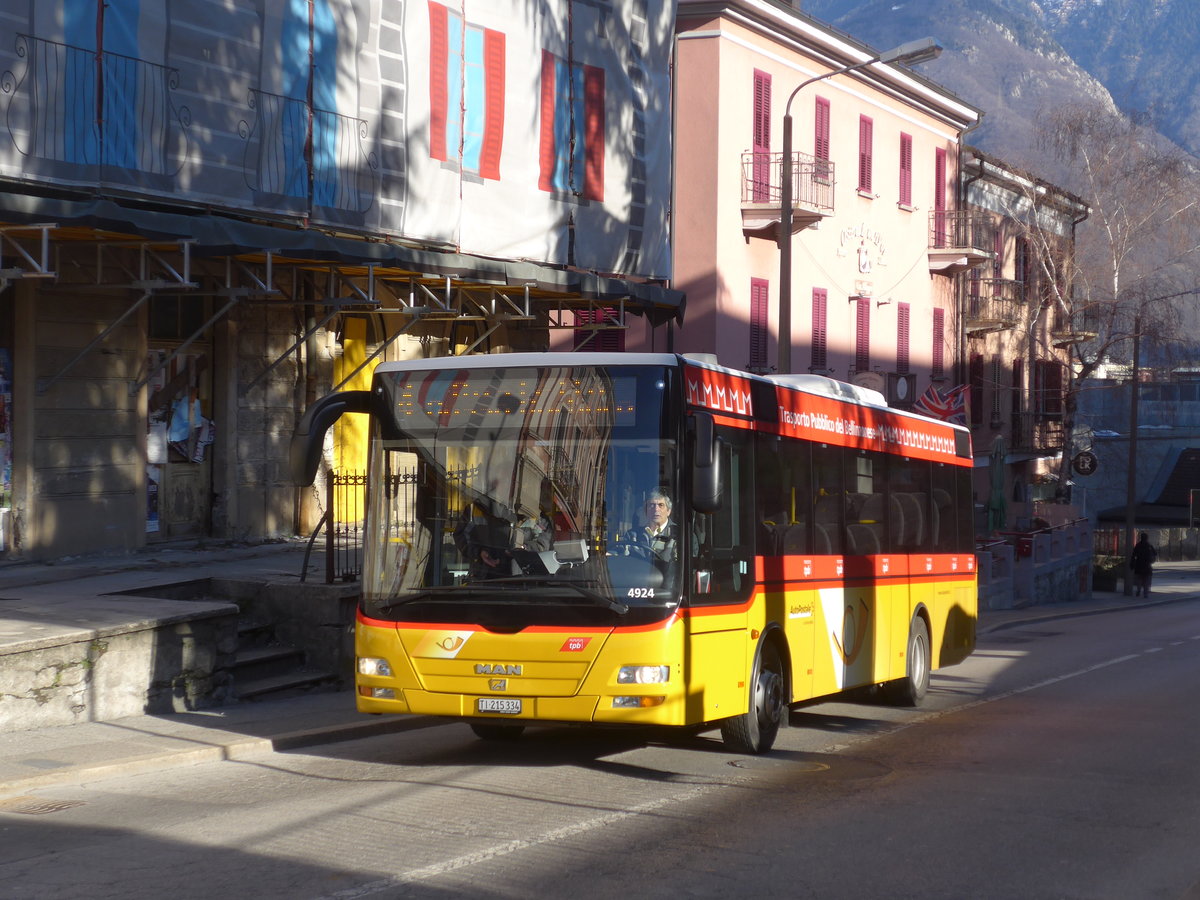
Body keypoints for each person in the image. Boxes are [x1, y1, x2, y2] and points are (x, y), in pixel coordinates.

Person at [623, 489, 679, 564]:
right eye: (651, 505)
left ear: (668, 511)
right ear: (646, 510)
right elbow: (618, 555)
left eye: (661, 505)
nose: (656, 509)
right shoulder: (632, 535)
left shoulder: (679, 536)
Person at [1130, 532, 1158, 598]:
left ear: (1141, 538)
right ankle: (1145, 593)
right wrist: (1151, 560)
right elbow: (1155, 554)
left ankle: (1139, 589)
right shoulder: (1149, 546)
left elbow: (1133, 555)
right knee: (1146, 580)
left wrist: (1132, 564)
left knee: (1139, 578)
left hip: (1139, 564)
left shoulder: (1138, 545)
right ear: (1147, 538)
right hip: (1147, 565)